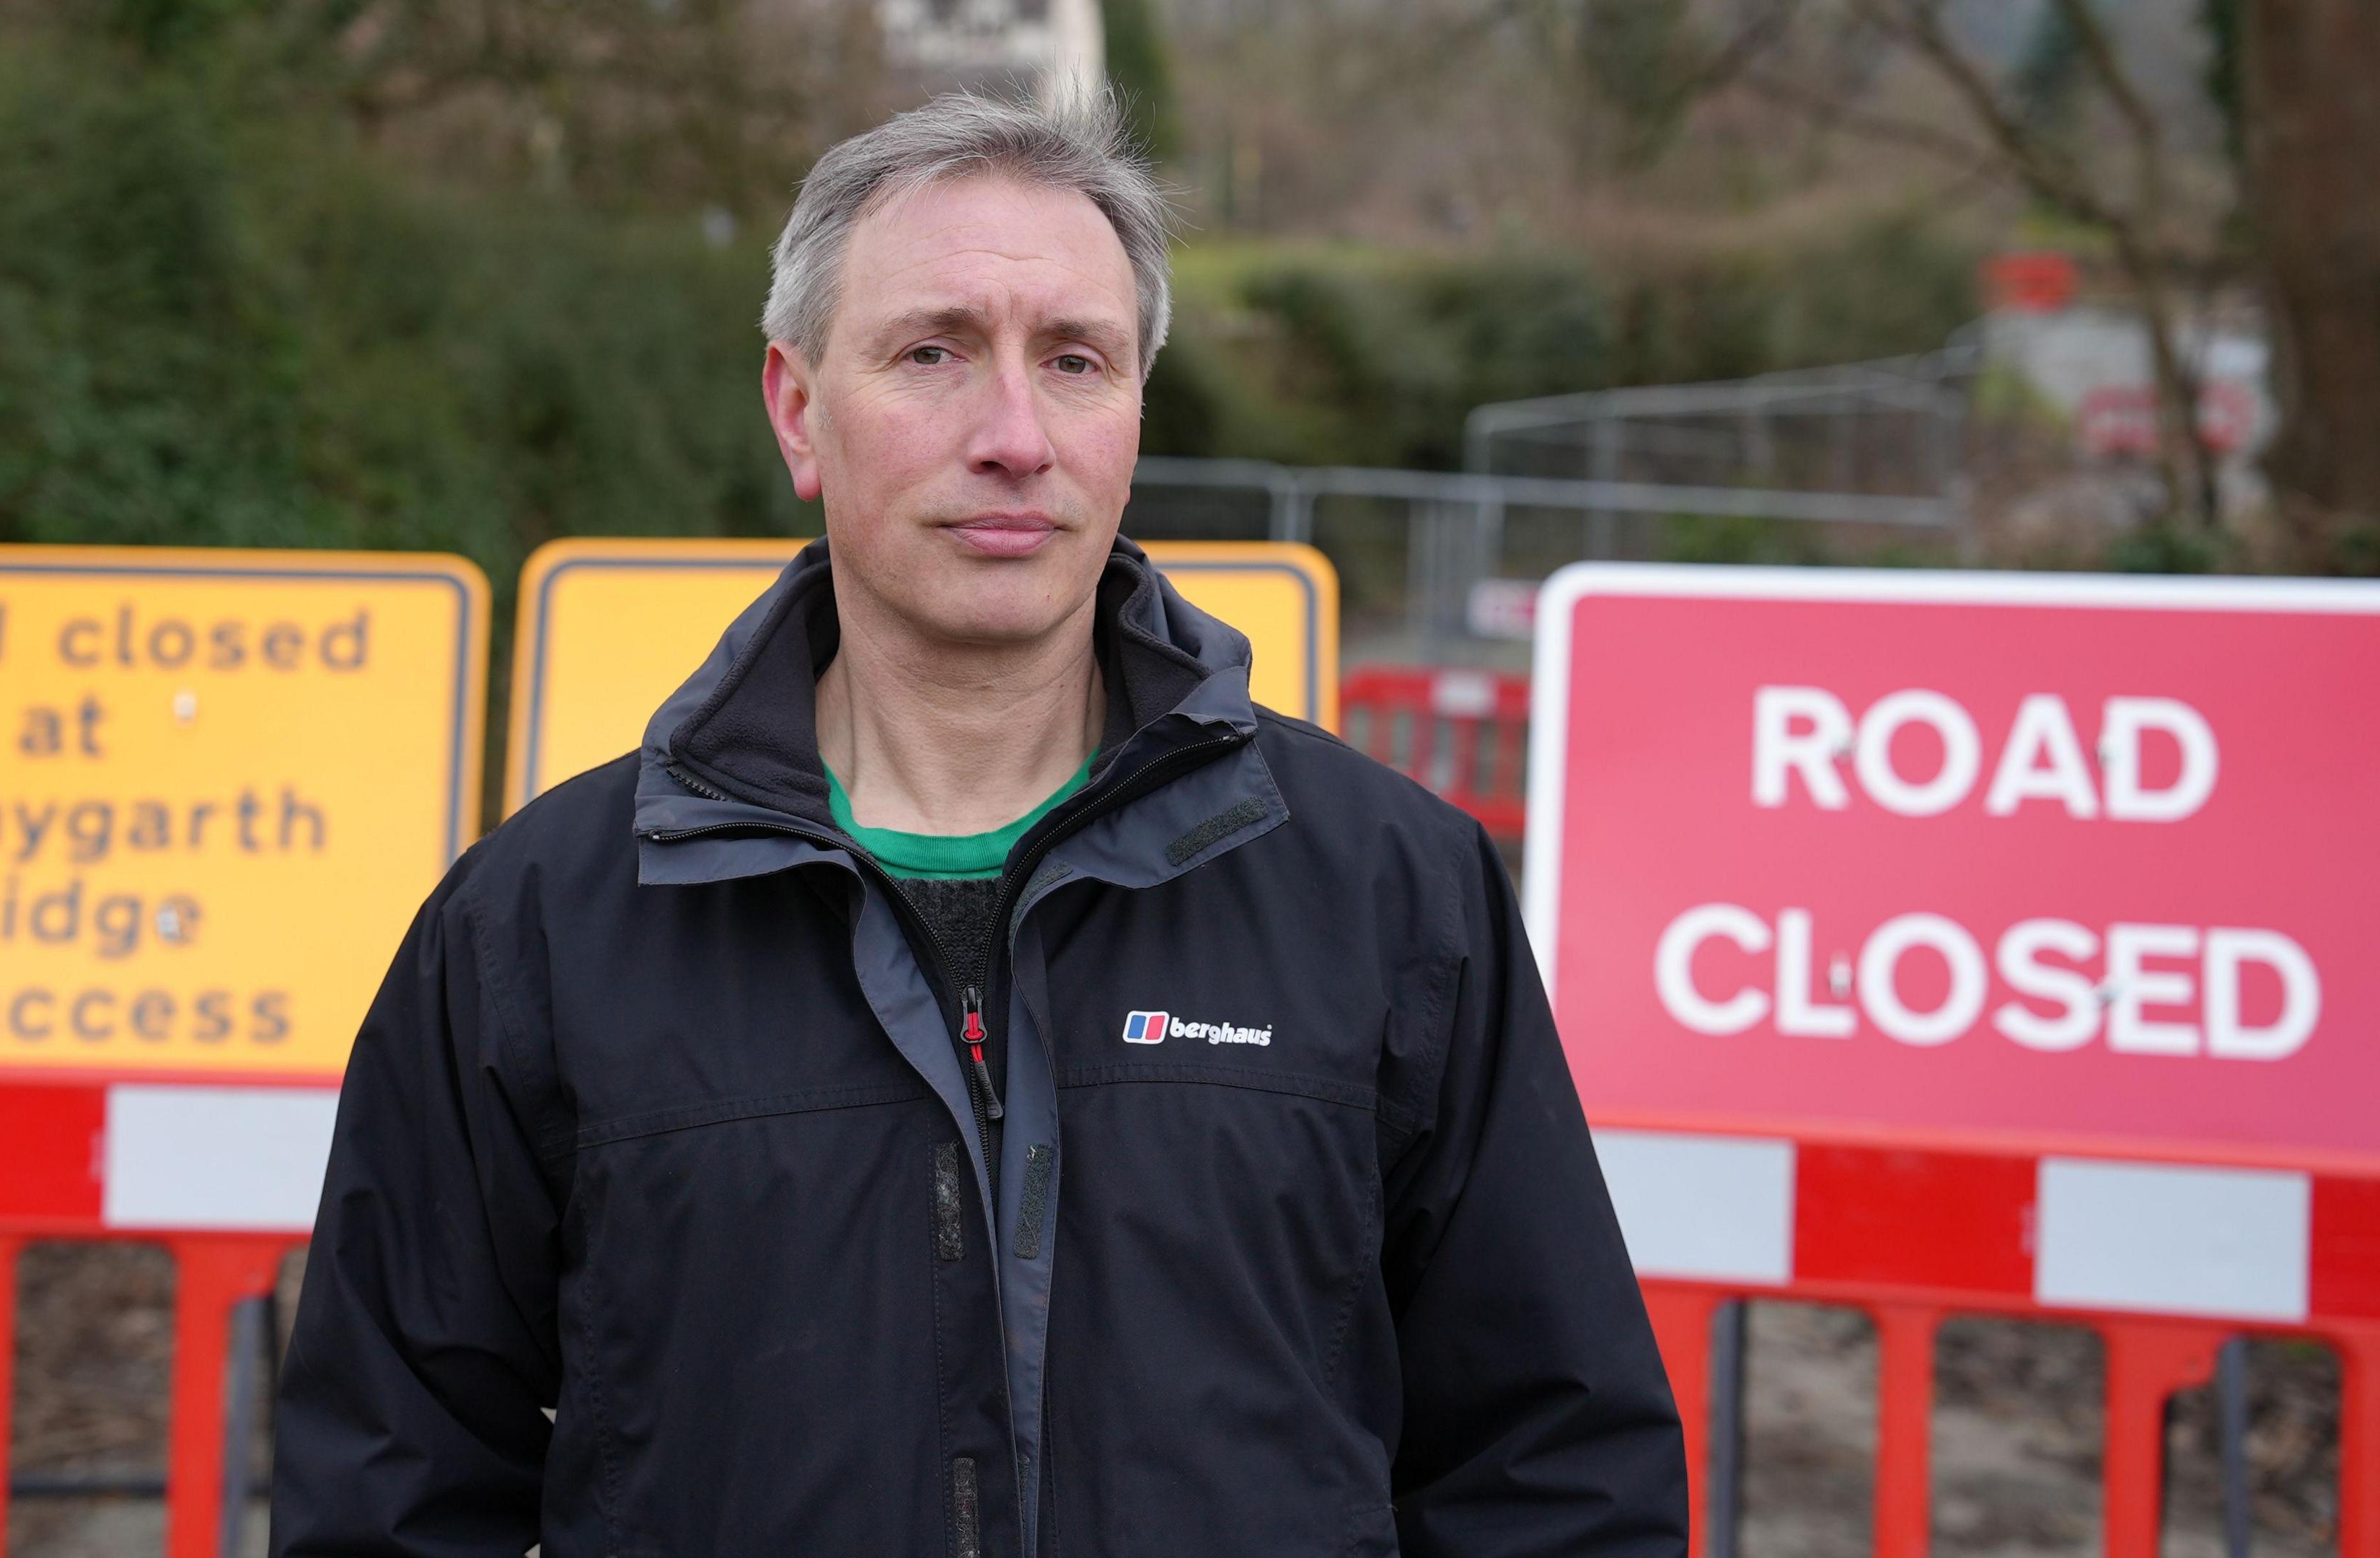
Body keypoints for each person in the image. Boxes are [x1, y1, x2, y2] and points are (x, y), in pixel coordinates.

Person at [271, 89, 1687, 1558]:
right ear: (799, 409)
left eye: (1075, 361)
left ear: (1135, 412)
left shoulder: (1393, 893)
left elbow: (1557, 1476)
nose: (1014, 435)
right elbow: (392, 1497)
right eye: (933, 353)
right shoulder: (535, 930)